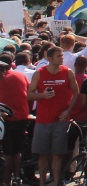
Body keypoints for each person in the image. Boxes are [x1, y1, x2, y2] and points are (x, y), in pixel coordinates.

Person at [28, 44, 79, 186]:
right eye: (58, 56)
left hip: (61, 120)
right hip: (43, 120)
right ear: (49, 58)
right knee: (42, 154)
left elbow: (76, 92)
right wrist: (43, 95)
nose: (62, 58)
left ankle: (56, 182)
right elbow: (29, 94)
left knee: (58, 154)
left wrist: (68, 111)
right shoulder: (40, 72)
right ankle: (43, 183)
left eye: (62, 55)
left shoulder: (68, 72)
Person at [0, 54, 30, 186]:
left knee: (7, 151)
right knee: (17, 150)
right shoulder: (21, 76)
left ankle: (7, 181)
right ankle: (17, 177)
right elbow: (29, 94)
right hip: (22, 117)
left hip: (4, 119)